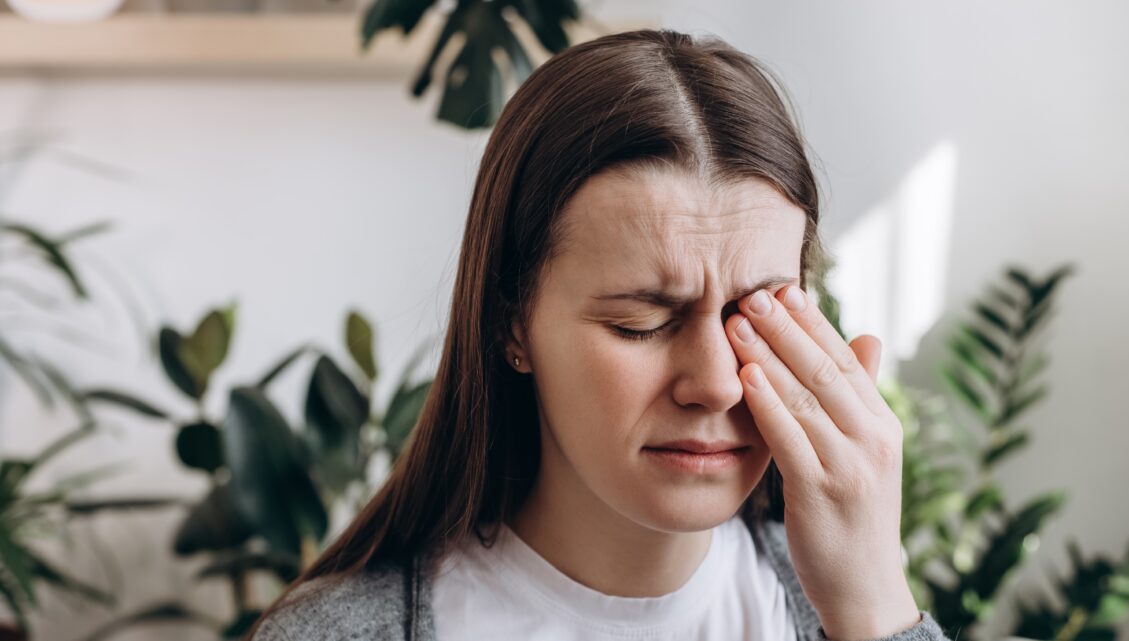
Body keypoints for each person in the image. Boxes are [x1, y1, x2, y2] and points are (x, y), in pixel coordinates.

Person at [247, 28, 953, 641]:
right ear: (510, 323)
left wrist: (877, 608)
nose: (714, 382)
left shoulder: (849, 612)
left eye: (753, 314)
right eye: (639, 323)